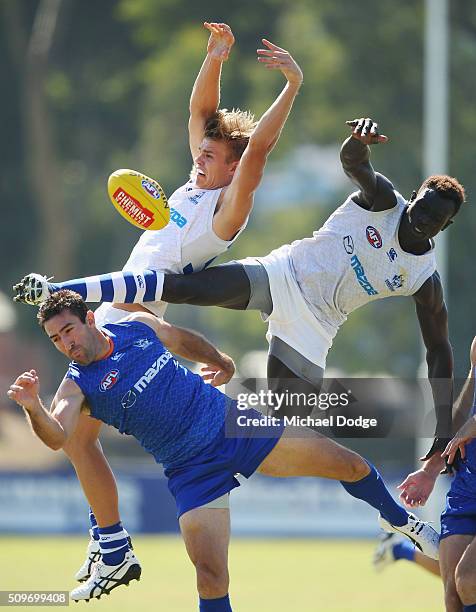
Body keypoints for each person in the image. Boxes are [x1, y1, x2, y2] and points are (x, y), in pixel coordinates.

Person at [13, 21, 304, 583]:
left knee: (74, 434)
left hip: (125, 313)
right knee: (77, 437)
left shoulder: (228, 212)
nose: (199, 157)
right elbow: (200, 115)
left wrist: (290, 85)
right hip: (124, 306)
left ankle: (113, 543)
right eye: (201, 151)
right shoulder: (193, 185)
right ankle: (113, 543)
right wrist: (215, 57)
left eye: (213, 155)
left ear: (233, 168)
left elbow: (259, 150)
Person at [16, 118, 465, 446]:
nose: (420, 216)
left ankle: (224, 413)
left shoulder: (423, 279)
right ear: (415, 196)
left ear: (442, 228)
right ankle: (57, 287)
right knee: (176, 285)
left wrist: (442, 427)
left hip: (316, 325)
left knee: (288, 423)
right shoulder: (386, 201)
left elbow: (439, 350)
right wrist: (356, 140)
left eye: (432, 217)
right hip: (281, 273)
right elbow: (354, 162)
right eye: (421, 204)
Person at [8, 290, 440, 609]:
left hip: (233, 427)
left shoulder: (131, 325)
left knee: (349, 465)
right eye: (55, 339)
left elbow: (178, 338)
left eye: (68, 330)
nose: (66, 343)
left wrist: (222, 360)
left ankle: (403, 522)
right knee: (211, 579)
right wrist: (33, 407)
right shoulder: (75, 384)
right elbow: (59, 435)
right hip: (190, 471)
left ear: (88, 318)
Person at [398, 336, 476, 612]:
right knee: (453, 593)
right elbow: (469, 400)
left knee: (468, 579)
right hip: (469, 482)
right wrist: (432, 467)